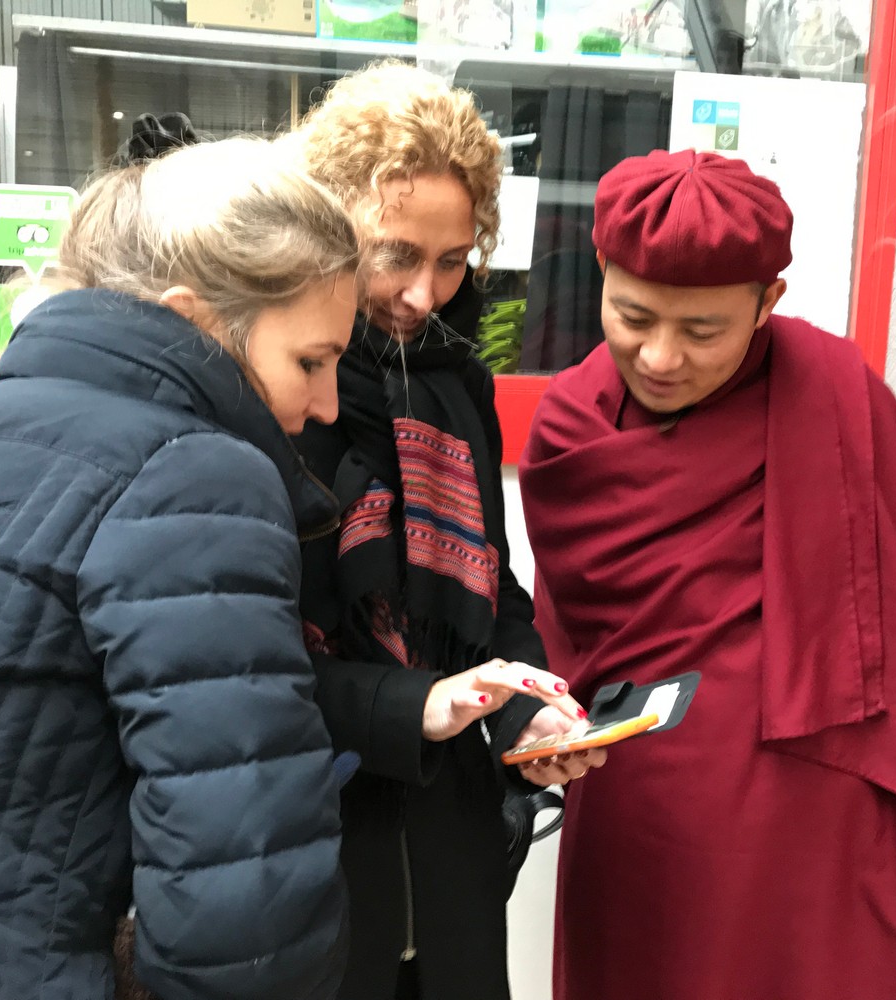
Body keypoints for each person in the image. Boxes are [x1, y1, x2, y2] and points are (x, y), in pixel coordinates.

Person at [518, 149, 896, 1000]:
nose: (660, 356)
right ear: (600, 269)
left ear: (767, 301)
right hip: (640, 807)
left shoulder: (837, 396)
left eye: (702, 331)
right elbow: (570, 640)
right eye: (632, 316)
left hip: (814, 811)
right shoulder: (571, 425)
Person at [0, 137, 361, 1000]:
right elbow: (247, 922)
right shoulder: (194, 471)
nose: (323, 404)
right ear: (197, 322)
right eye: (310, 361)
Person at [289, 61, 596, 1000]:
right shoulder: (276, 388)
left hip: (454, 852)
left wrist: (524, 711)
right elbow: (239, 656)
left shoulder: (459, 384)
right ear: (326, 224)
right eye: (395, 255)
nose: (423, 294)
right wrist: (411, 704)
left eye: (454, 259)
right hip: (320, 844)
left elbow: (493, 589)